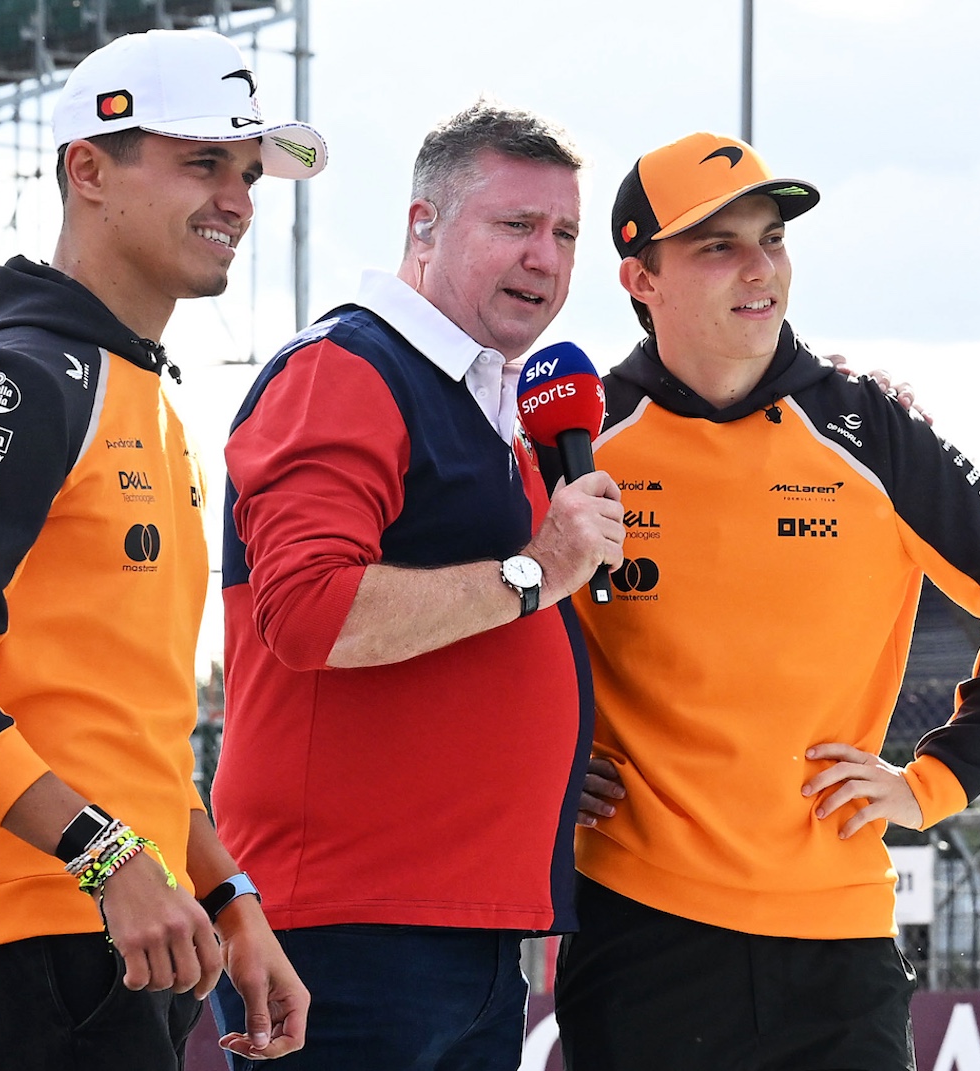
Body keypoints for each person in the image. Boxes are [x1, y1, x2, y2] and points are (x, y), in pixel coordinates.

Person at [551, 131, 980, 1071]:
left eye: (773, 238)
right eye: (717, 245)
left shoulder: (867, 426)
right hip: (638, 930)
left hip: (837, 943)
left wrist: (935, 782)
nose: (759, 268)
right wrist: (551, 766)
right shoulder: (583, 436)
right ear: (641, 278)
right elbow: (505, 623)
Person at [0, 31, 323, 1068]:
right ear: (89, 169)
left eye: (246, 174)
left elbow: (118, 715)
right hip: (35, 927)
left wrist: (225, 892)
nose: (238, 200)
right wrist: (109, 858)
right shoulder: (17, 380)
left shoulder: (136, 388)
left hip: (129, 926)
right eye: (203, 163)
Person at [210, 101, 624, 1071]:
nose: (547, 258)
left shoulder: (486, 402)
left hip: (461, 934)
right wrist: (541, 569)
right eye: (515, 226)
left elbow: (474, 637)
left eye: (564, 234)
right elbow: (310, 612)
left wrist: (563, 763)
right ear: (422, 227)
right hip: (349, 935)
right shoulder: (344, 371)